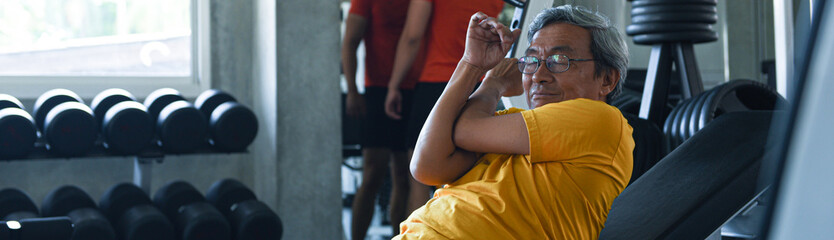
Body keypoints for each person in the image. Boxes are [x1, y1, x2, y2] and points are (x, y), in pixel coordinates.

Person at [393, 5, 633, 239]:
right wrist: (470, 63)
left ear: (607, 79)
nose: (538, 76)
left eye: (560, 60)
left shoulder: (602, 120)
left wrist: (492, 83)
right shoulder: (513, 125)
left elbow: (465, 130)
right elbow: (426, 166)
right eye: (532, 61)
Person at [383, 0, 506, 216]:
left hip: (436, 83)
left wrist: (394, 85)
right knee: (466, 178)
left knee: (419, 178)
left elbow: (412, 36)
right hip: (477, 86)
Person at [340, 0, 425, 238]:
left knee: (405, 175)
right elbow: (350, 43)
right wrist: (353, 91)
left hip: (415, 90)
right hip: (377, 91)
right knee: (372, 174)